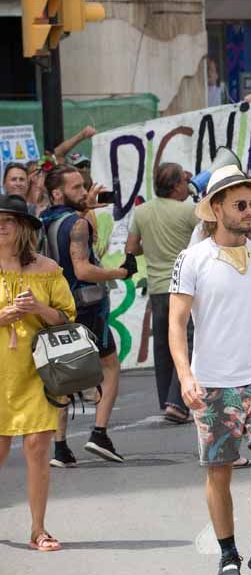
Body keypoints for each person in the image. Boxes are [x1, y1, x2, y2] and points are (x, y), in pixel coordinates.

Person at [168, 163, 251, 575]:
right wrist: (186, 376)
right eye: (240, 205)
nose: (249, 211)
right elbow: (177, 322)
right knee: (219, 471)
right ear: (216, 208)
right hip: (212, 383)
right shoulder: (192, 259)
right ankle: (227, 554)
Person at [40, 165, 131, 466]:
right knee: (110, 367)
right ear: (57, 192)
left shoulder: (42, 221)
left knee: (62, 374)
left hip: (54, 308)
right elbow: (83, 269)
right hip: (86, 308)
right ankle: (99, 433)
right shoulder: (77, 225)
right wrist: (120, 272)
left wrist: (87, 208)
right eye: (77, 187)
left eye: (84, 185)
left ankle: (61, 448)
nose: (84, 190)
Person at [0, 195, 76, 552]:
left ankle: (37, 529)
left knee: (37, 446)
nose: (1, 225)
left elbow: (67, 319)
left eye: (9, 219)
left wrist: (38, 308)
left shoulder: (47, 269)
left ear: (25, 227)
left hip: (39, 371)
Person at [125, 163, 198, 423]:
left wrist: (154, 247)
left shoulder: (142, 211)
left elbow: (132, 248)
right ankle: (178, 401)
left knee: (164, 345)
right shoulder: (189, 211)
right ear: (178, 185)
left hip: (157, 287)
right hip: (184, 287)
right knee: (187, 343)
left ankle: (166, 399)